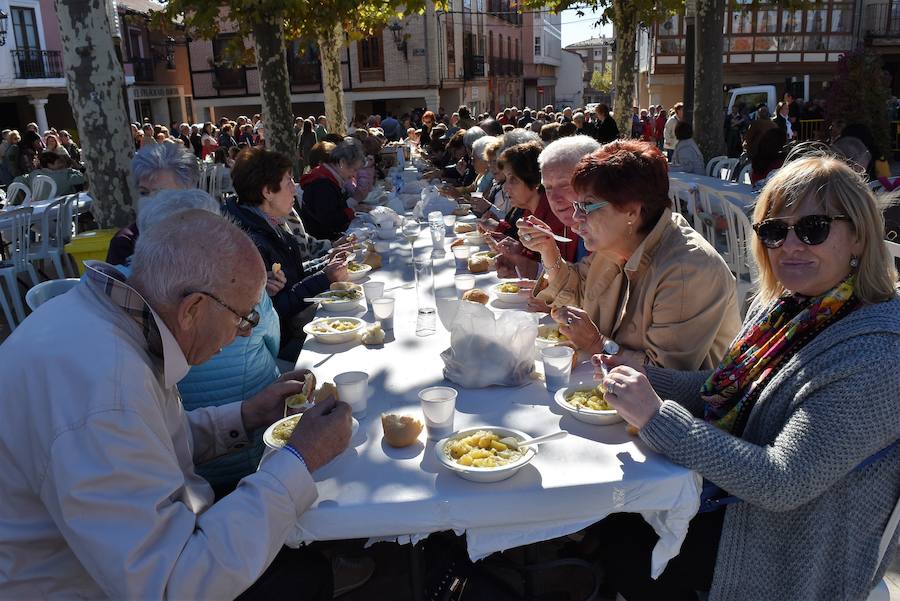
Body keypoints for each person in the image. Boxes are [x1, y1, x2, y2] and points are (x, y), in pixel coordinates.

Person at [0, 209, 354, 599]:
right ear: (192, 309)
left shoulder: (111, 321)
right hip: (87, 586)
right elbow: (172, 584)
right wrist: (300, 458)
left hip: (124, 557)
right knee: (304, 576)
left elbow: (148, 445)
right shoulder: (104, 391)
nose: (246, 333)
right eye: (244, 317)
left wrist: (245, 415)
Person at [594, 154, 900, 600]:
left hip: (783, 545)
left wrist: (659, 418)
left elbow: (782, 482)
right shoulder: (781, 308)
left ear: (857, 235)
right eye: (775, 231)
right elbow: (722, 392)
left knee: (619, 540)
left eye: (813, 228)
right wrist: (641, 377)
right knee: (608, 510)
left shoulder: (877, 351)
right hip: (730, 497)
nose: (790, 246)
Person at [524, 140, 741, 369]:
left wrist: (596, 342)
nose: (577, 218)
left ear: (631, 211)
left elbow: (665, 376)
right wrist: (549, 250)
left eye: (587, 206)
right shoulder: (617, 243)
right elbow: (577, 291)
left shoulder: (688, 269)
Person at [227, 147, 348, 360]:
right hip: (278, 349)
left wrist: (326, 261)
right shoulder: (251, 243)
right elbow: (277, 310)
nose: (295, 188)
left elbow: (293, 274)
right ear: (267, 192)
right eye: (289, 182)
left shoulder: (269, 222)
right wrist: (325, 278)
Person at [106, 143, 201, 265]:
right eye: (144, 192)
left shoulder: (215, 236)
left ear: (188, 192)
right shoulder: (125, 244)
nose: (150, 202)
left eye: (161, 194)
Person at [298, 137, 365, 241]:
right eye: (354, 169)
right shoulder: (322, 184)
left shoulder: (328, 176)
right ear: (342, 163)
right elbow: (331, 220)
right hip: (324, 241)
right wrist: (353, 211)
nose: (354, 175)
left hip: (327, 236)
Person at [13, 150, 85, 196]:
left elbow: (18, 179)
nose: (62, 164)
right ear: (49, 165)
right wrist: (70, 170)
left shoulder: (34, 174)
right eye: (59, 163)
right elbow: (83, 178)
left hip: (38, 207)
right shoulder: (65, 175)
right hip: (60, 209)